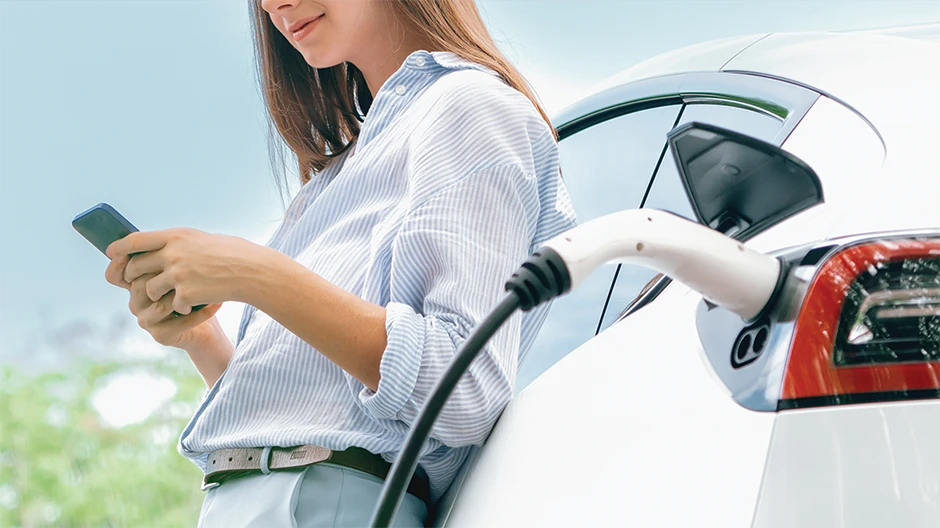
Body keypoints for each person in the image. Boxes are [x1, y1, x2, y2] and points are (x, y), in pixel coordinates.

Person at [104, 0, 577, 526]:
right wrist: (202, 339)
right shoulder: (333, 179)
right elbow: (306, 416)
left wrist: (254, 273)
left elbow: (463, 389)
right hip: (245, 499)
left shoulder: (469, 107)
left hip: (330, 501)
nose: (271, 4)